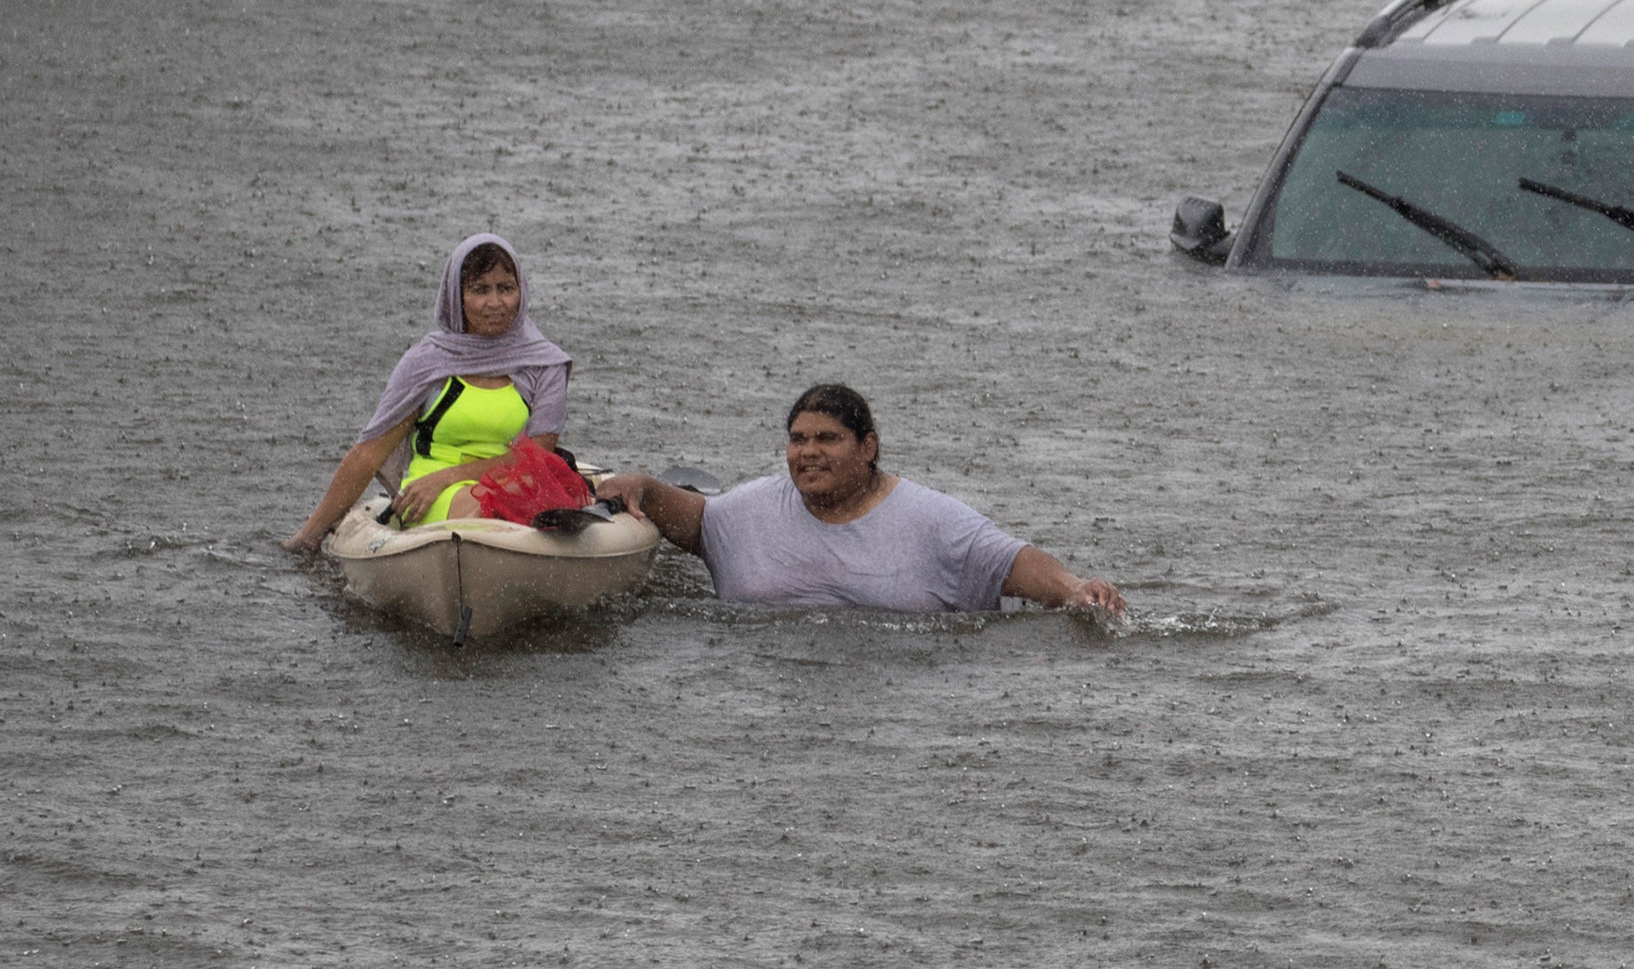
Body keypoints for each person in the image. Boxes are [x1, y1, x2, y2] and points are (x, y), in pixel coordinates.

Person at [597, 384, 1125, 617]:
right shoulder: (750, 509)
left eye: (827, 439)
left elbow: (1009, 559)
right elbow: (693, 519)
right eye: (798, 440)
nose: (808, 453)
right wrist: (641, 485)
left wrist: (1075, 589)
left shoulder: (932, 519)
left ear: (867, 447)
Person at [286, 234, 577, 555]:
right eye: (480, 290)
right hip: (430, 492)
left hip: (511, 486)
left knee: (531, 509)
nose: (495, 303)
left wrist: (450, 476)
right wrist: (309, 536)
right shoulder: (426, 363)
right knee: (486, 511)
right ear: (457, 297)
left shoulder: (545, 363)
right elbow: (369, 454)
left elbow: (537, 456)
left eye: (505, 288)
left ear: (521, 292)